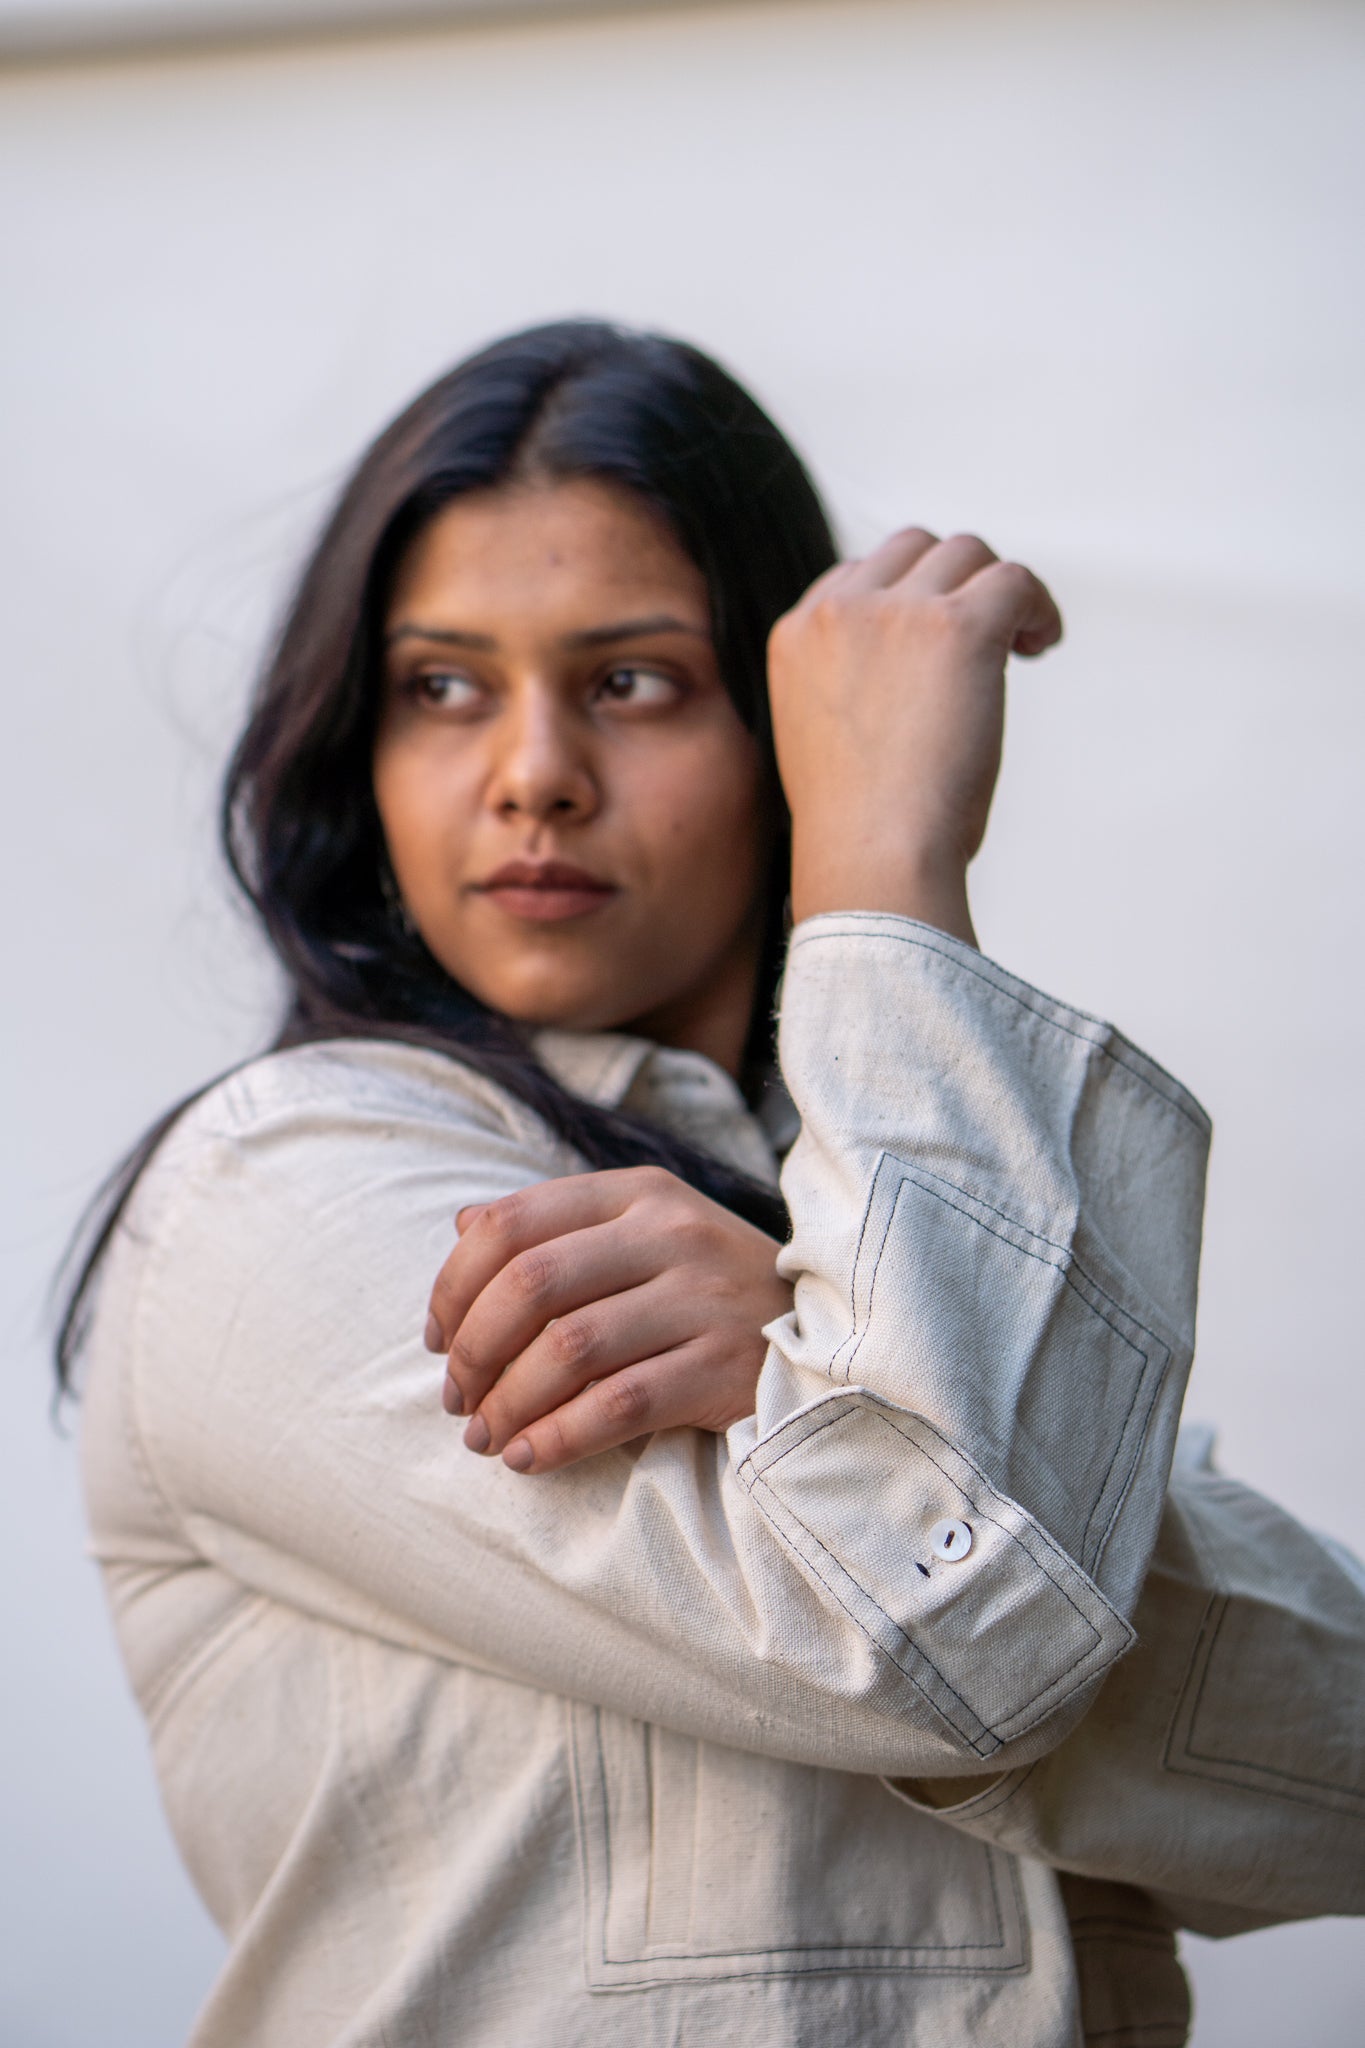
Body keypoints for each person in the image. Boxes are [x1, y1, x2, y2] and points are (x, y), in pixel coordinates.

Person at [65, 321, 1364, 2048]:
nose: (531, 772)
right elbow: (933, 1640)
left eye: (630, 681)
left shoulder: (873, 1226)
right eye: (441, 686)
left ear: (782, 729)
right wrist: (881, 871)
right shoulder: (278, 1192)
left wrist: (814, 1359)